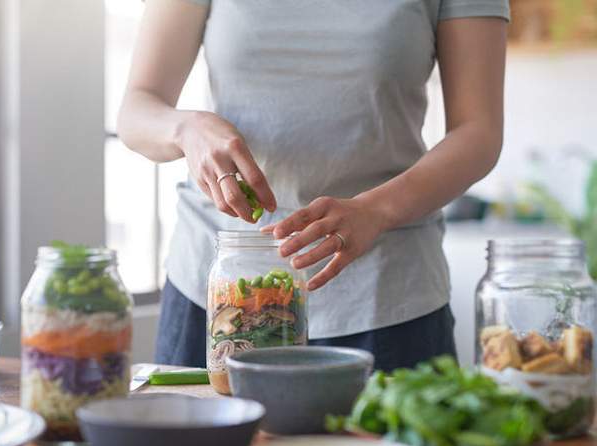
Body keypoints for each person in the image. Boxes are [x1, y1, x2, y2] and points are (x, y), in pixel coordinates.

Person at [117, 0, 509, 371]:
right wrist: (186, 130)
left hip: (386, 295)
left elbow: (479, 132)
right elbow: (138, 109)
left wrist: (377, 209)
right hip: (219, 287)